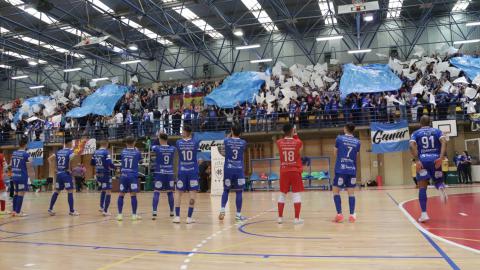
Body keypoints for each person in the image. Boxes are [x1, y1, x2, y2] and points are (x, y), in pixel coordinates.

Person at [409, 115, 448, 223]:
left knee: (422, 187)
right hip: (436, 159)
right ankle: (440, 187)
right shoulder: (437, 131)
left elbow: (412, 146)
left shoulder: (416, 133)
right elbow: (444, 142)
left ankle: (424, 214)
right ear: (430, 122)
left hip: (423, 161)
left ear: (420, 123)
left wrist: (417, 160)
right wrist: (441, 157)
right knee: (438, 181)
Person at [332, 123, 361, 223]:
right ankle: (352, 215)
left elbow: (335, 152)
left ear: (345, 129)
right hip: (352, 169)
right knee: (351, 193)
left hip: (341, 168)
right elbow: (356, 156)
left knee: (336, 191)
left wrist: (341, 160)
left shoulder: (339, 138)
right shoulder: (358, 142)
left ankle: (339, 214)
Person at [276, 123, 304, 224]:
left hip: (284, 171)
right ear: (293, 130)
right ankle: (296, 219)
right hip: (295, 171)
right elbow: (300, 150)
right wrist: (295, 134)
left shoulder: (278, 142)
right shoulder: (298, 142)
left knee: (282, 194)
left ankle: (280, 218)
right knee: (296, 194)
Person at [219, 124, 247, 221]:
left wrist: (230, 134)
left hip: (228, 169)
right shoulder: (243, 142)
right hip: (239, 170)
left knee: (226, 190)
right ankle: (238, 215)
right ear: (240, 132)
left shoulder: (226, 141)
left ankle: (222, 210)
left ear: (231, 131)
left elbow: (225, 140)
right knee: (239, 191)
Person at [173, 125, 199, 224]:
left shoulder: (178, 143)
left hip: (182, 171)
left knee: (178, 193)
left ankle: (177, 217)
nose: (181, 133)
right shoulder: (195, 142)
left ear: (186, 132)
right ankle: (189, 217)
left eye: (182, 131)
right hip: (192, 171)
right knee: (193, 194)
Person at [48, 137, 80, 216]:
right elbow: (71, 162)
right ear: (70, 143)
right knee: (70, 191)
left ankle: (50, 208)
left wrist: (54, 169)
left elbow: (49, 159)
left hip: (59, 174)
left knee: (56, 191)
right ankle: (72, 211)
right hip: (66, 174)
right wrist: (70, 169)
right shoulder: (70, 152)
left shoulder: (58, 152)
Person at [117, 136, 142, 221]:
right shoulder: (137, 152)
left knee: (121, 194)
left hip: (123, 176)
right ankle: (134, 215)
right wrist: (136, 150)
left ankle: (120, 215)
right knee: (133, 195)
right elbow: (140, 161)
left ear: (126, 143)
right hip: (132, 176)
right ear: (134, 142)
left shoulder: (123, 152)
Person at [151, 133, 176, 220]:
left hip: (159, 173)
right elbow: (171, 145)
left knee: (156, 192)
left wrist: (157, 138)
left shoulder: (157, 148)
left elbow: (152, 145)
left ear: (160, 139)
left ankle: (154, 212)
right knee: (170, 193)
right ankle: (172, 212)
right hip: (169, 173)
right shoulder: (172, 148)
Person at [91, 141, 115, 216]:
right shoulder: (106, 152)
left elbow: (92, 163)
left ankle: (101, 207)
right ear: (107, 144)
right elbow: (109, 164)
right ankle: (105, 211)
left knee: (103, 189)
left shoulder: (95, 152)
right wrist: (115, 167)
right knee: (108, 191)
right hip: (105, 173)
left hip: (98, 173)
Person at [10, 136, 31, 217]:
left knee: (16, 192)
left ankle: (14, 211)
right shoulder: (26, 154)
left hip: (14, 176)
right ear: (25, 144)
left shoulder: (14, 153)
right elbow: (30, 165)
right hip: (22, 177)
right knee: (21, 193)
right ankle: (18, 212)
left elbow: (11, 164)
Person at [0, 151, 7, 215]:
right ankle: (2, 210)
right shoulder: (1, 155)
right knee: (3, 193)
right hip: (0, 178)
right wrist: (4, 173)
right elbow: (5, 166)